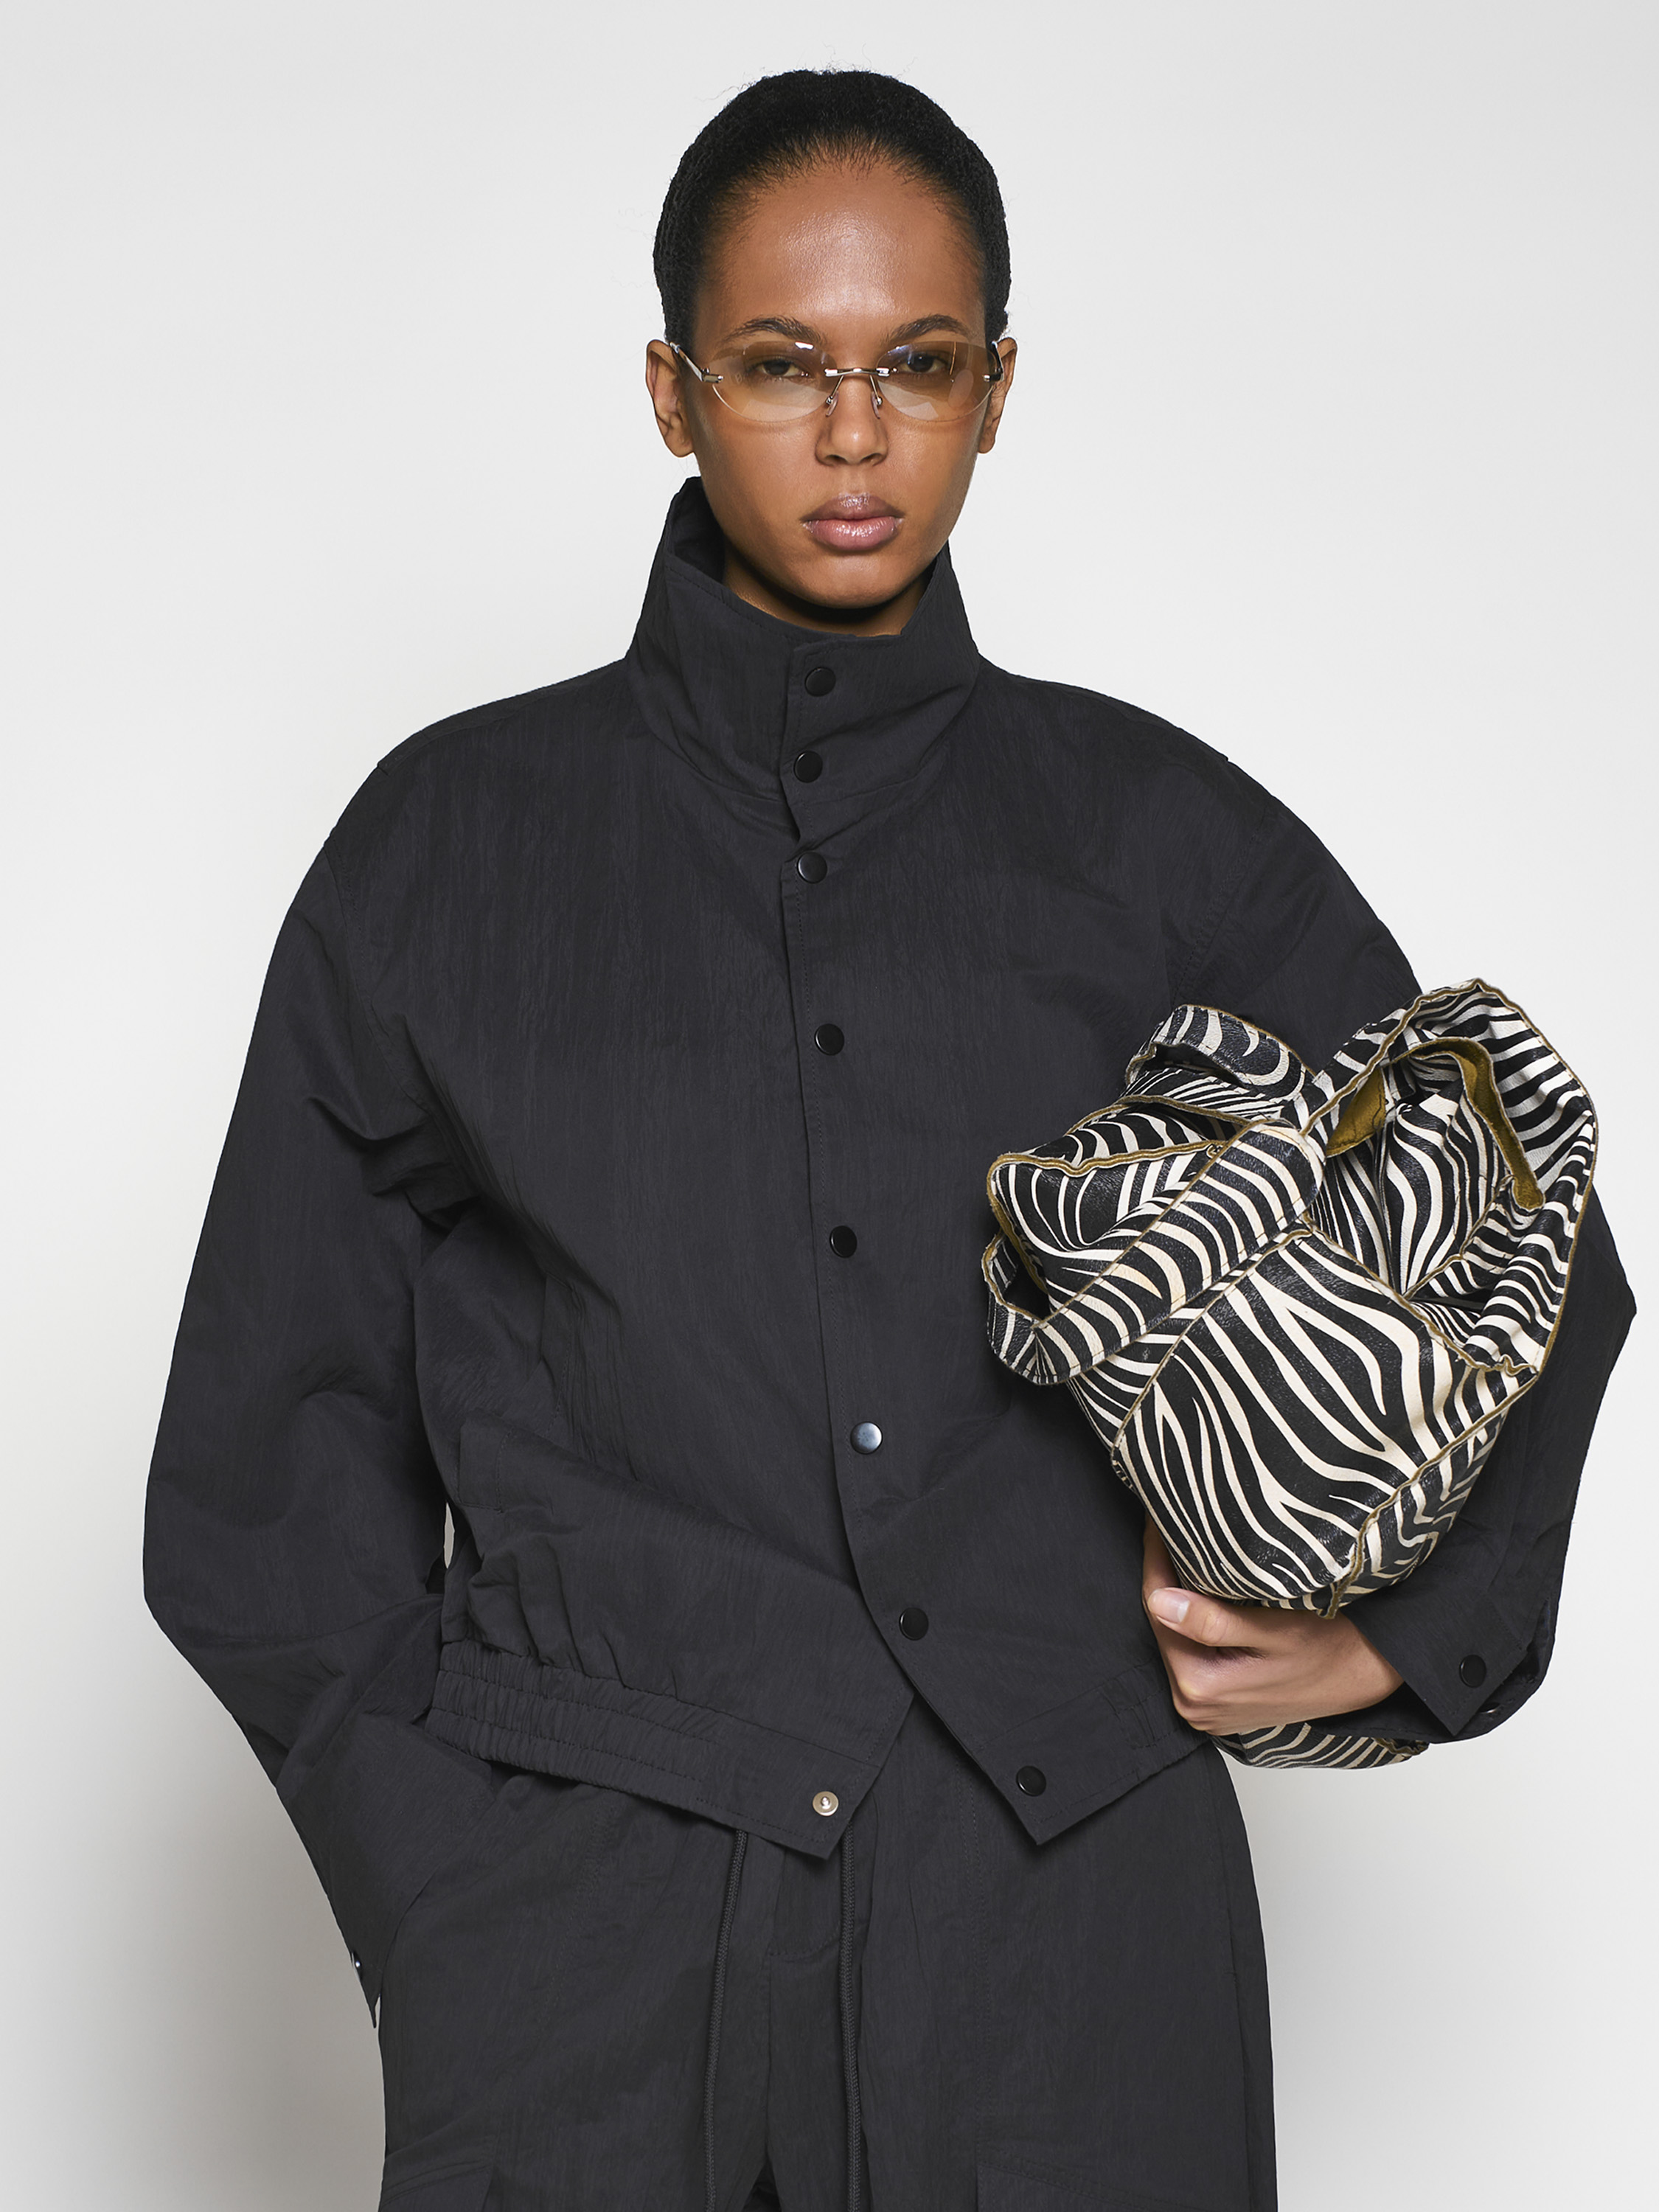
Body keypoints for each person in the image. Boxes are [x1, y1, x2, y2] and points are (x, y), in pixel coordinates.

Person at [143, 68, 1632, 2212]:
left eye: (916, 367)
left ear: (994, 391)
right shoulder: (447, 851)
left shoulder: (1155, 839)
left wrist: (1407, 1642)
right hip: (582, 1972)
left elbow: (1515, 1222)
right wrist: (448, 1903)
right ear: (672, 392)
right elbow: (260, 1473)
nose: (854, 436)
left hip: (1071, 1963)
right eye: (781, 366)